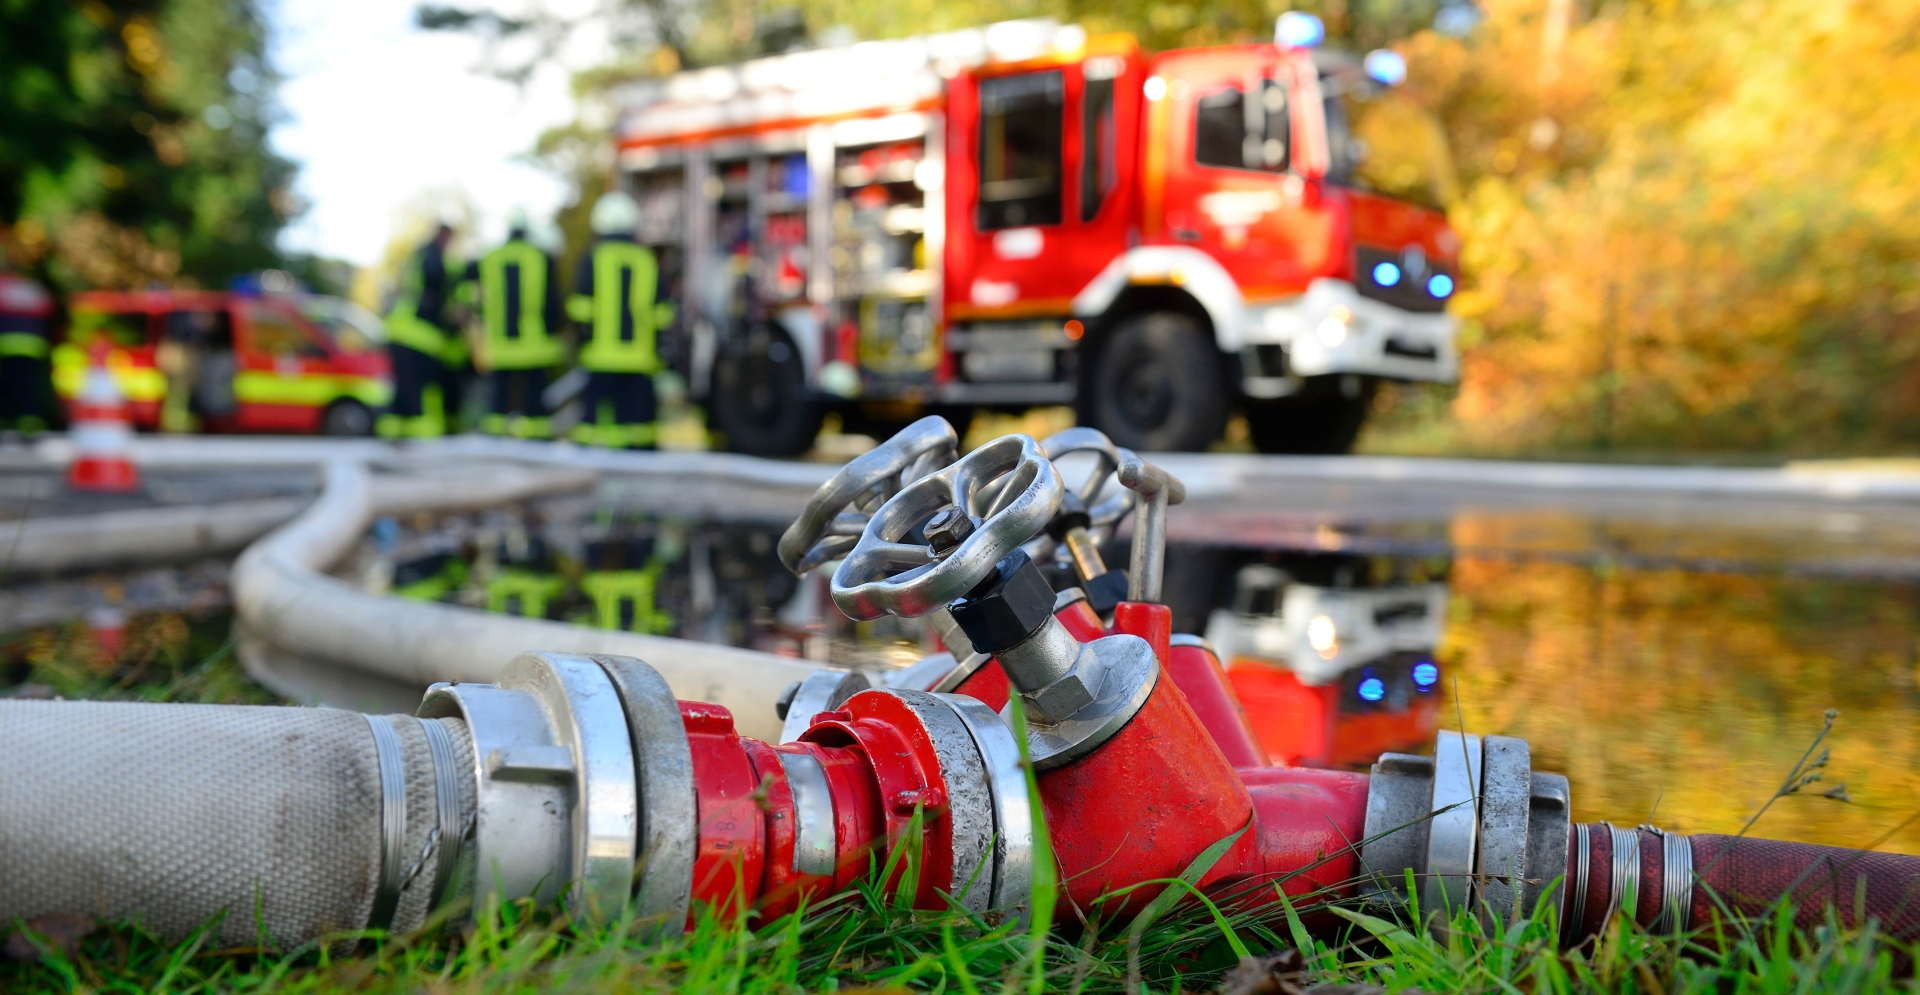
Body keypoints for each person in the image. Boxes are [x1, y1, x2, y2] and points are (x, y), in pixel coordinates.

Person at [568, 191, 674, 449]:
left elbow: (579, 309)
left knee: (593, 432)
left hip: (601, 361)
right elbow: (663, 313)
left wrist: (583, 341)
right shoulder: (646, 260)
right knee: (640, 433)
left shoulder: (592, 258)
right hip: (640, 362)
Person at [477, 208, 563, 438]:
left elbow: (474, 295)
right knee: (535, 404)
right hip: (534, 345)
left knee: (499, 401)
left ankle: (495, 442)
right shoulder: (541, 257)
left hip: (500, 344)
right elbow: (552, 301)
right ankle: (537, 443)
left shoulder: (490, 258)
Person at [379, 221, 463, 438]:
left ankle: (393, 433)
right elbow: (438, 288)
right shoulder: (434, 258)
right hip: (418, 335)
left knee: (402, 390)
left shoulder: (418, 255)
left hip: (398, 330)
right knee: (422, 390)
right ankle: (421, 435)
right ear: (444, 235)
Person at [0, 266, 55, 435]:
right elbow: (49, 310)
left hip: (6, 346)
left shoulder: (4, 287)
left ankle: (7, 420)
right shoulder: (33, 289)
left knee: (6, 385)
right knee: (28, 387)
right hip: (34, 347)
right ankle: (30, 424)